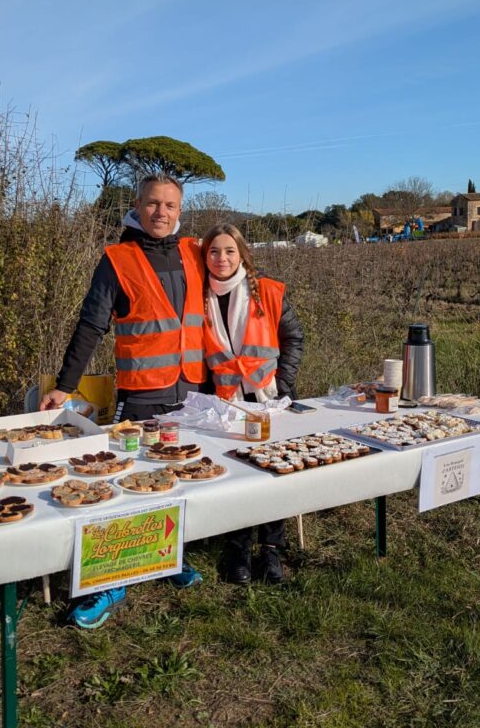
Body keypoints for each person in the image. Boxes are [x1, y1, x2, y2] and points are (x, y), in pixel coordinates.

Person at [40, 173, 207, 628]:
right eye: (153, 204)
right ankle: (108, 582)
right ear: (137, 205)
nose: (162, 213)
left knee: (182, 476)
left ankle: (170, 557)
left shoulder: (194, 252)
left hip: (193, 390)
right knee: (126, 486)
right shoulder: (116, 259)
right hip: (143, 394)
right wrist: (65, 384)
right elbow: (92, 324)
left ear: (180, 210)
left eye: (170, 205)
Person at [201, 223, 304, 585]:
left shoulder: (266, 291)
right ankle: (238, 548)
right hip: (226, 402)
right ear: (205, 256)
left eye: (229, 250)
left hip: (267, 399)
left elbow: (294, 337)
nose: (222, 258)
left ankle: (271, 549)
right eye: (214, 251)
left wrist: (285, 386)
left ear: (241, 253)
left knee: (272, 473)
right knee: (236, 476)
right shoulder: (198, 298)